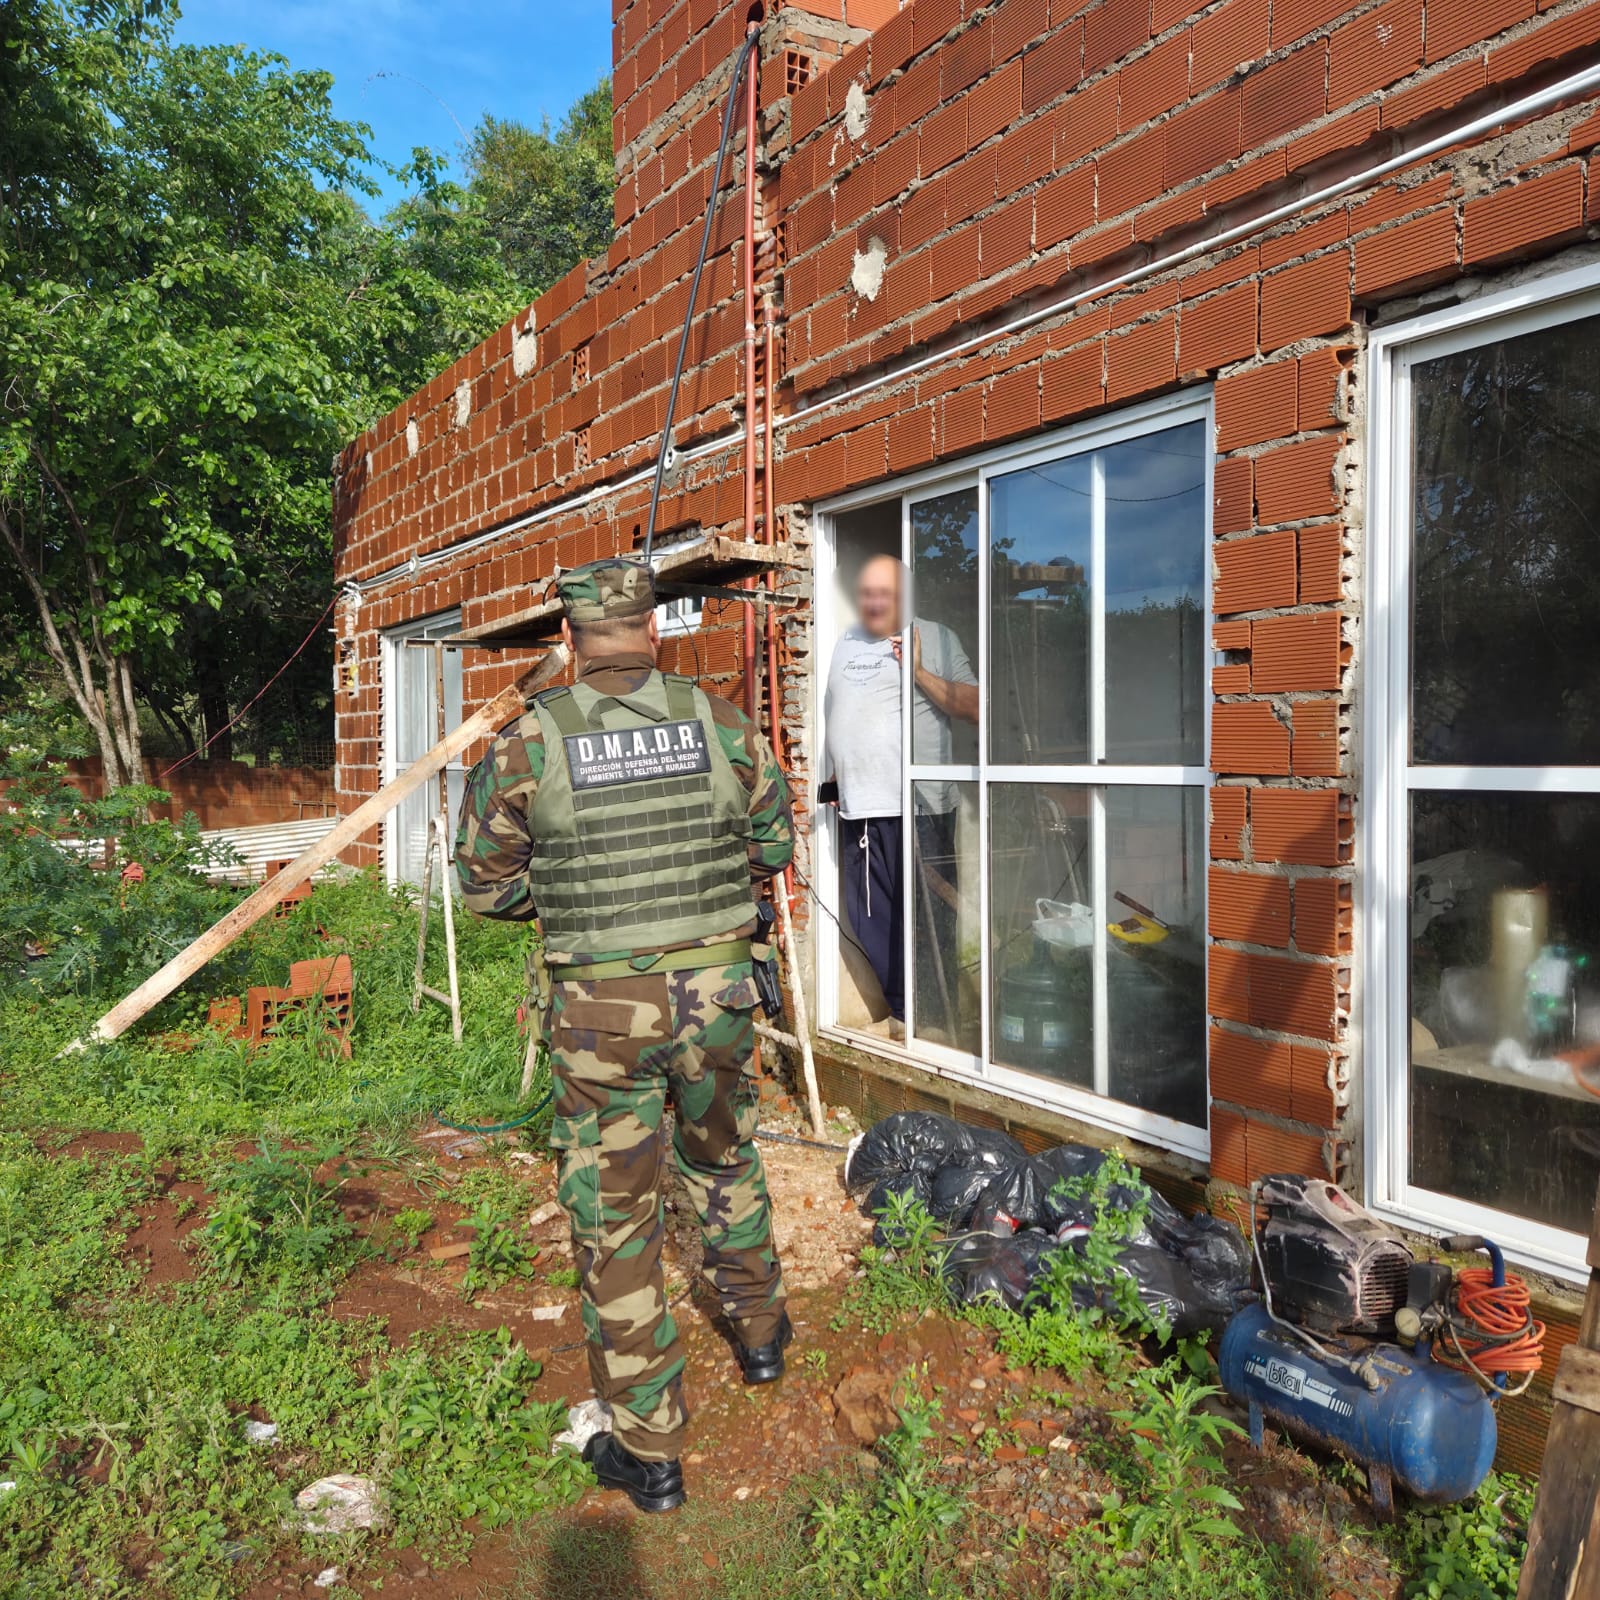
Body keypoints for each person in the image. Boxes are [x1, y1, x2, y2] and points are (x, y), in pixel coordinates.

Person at [455, 557, 795, 1515]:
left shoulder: (530, 743)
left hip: (600, 1014)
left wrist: (568, 902)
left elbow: (483, 887)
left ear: (569, 639)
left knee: (617, 1214)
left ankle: (651, 1455)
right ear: (654, 629)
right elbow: (771, 846)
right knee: (725, 1158)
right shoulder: (724, 723)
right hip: (722, 996)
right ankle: (762, 1336)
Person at [822, 554, 978, 1033]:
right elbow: (837, 714)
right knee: (870, 916)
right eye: (866, 593)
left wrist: (918, 672)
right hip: (859, 807)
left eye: (883, 594)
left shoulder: (935, 635)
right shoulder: (845, 642)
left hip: (920, 804)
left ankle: (930, 1023)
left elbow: (975, 706)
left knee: (928, 920)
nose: (872, 603)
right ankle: (904, 1012)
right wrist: (832, 779)